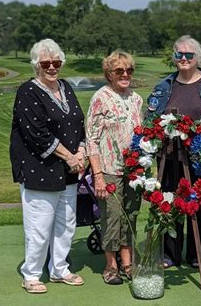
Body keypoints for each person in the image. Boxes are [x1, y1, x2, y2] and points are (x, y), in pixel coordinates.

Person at [145, 35, 201, 268]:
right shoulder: (165, 86)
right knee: (170, 201)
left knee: (200, 205)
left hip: (200, 157)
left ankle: (199, 254)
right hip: (170, 156)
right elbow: (150, 120)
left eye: (189, 55)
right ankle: (170, 254)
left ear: (198, 58)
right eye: (179, 54)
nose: (183, 58)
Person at [10, 38, 86, 293]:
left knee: (66, 223)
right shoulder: (27, 92)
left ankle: (59, 269)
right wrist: (70, 156)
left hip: (69, 170)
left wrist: (82, 151)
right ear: (37, 65)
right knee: (39, 227)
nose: (52, 67)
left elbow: (79, 123)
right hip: (39, 169)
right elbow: (37, 134)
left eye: (56, 62)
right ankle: (31, 274)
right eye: (46, 63)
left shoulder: (65, 87)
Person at [86, 51, 143, 285]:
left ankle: (127, 262)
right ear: (109, 73)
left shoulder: (137, 99)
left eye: (129, 70)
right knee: (111, 217)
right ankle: (110, 265)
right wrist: (97, 175)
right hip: (109, 169)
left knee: (131, 215)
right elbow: (92, 139)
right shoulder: (100, 97)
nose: (125, 74)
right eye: (119, 70)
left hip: (134, 170)